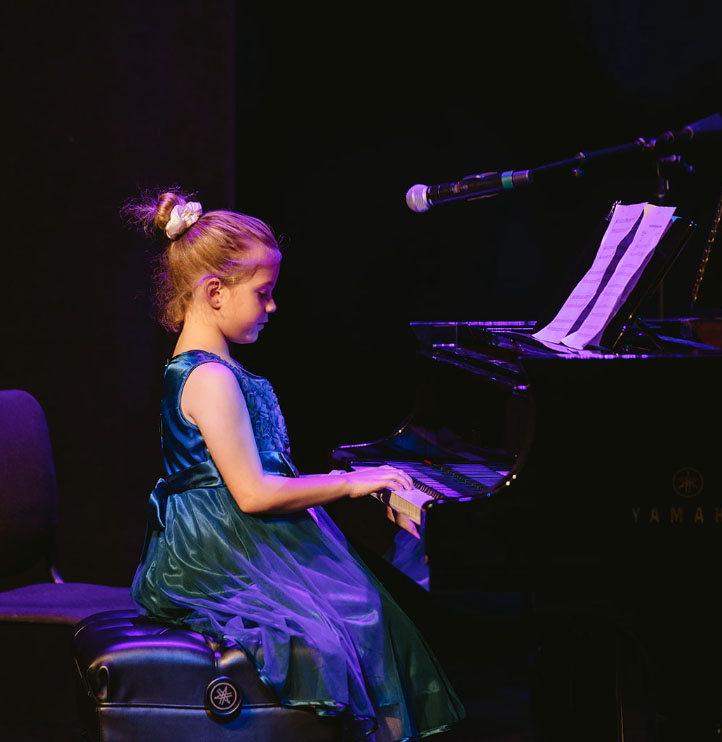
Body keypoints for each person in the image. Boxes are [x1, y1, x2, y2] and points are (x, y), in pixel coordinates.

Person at [124, 188, 466, 740]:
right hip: (220, 547)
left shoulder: (213, 369)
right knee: (354, 623)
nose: (272, 307)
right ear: (214, 293)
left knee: (370, 608)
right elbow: (254, 493)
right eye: (263, 294)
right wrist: (348, 484)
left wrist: (344, 482)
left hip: (239, 532)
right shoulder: (210, 378)